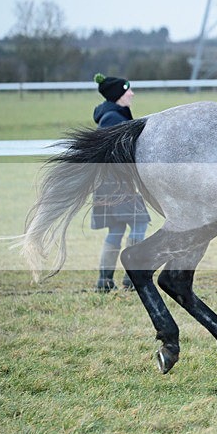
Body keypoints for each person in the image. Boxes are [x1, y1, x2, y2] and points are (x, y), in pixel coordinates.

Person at [91, 73, 151, 292]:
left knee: (116, 229)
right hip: (116, 184)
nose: (132, 94)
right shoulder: (113, 119)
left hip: (109, 184)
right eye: (128, 91)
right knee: (139, 223)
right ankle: (132, 278)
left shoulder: (112, 115)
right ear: (117, 95)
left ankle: (104, 282)